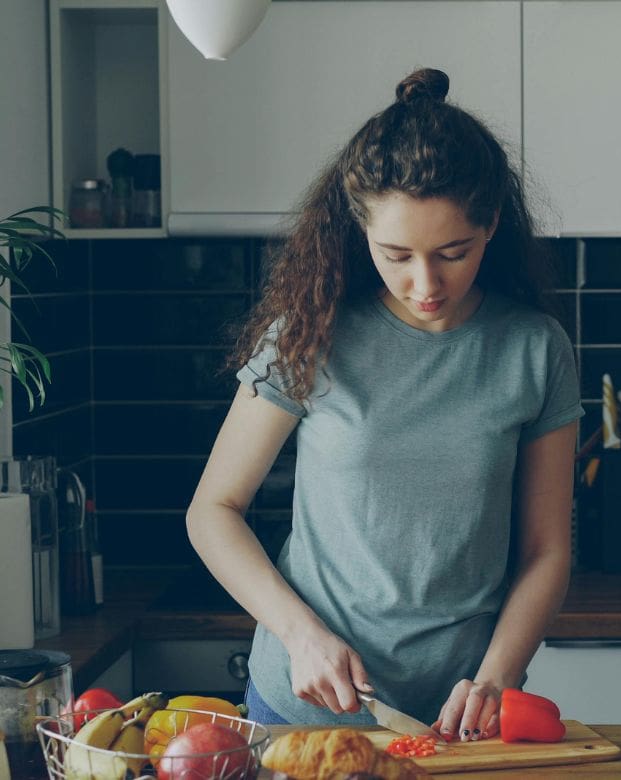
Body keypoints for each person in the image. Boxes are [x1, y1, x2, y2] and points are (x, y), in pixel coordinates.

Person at [186, 68, 582, 743]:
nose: (425, 283)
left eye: (453, 253)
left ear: (490, 224)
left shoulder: (534, 349)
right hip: (304, 710)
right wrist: (300, 636)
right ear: (359, 229)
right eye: (395, 255)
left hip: (464, 717)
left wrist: (497, 677)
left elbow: (547, 550)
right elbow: (212, 511)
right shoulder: (309, 334)